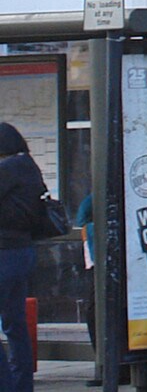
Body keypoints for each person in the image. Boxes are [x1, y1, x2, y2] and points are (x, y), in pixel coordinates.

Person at [0, 122, 47, 392]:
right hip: (22, 251)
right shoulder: (29, 167)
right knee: (14, 323)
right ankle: (21, 385)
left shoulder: (8, 169)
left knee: (13, 322)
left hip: (5, 252)